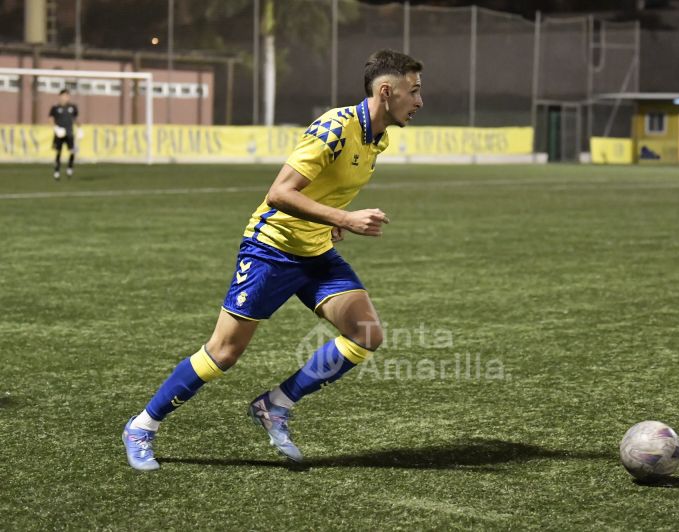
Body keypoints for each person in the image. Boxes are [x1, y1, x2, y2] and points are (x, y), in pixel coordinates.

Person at [122, 49, 424, 471]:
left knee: (366, 334)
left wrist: (331, 220)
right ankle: (142, 426)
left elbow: (325, 188)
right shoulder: (336, 126)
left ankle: (275, 404)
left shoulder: (379, 138)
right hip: (271, 249)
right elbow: (280, 193)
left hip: (315, 252)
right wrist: (345, 218)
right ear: (387, 91)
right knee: (224, 353)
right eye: (414, 91)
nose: (419, 102)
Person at [48, 89, 80, 180]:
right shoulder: (55, 107)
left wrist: (80, 128)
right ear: (60, 96)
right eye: (65, 96)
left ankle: (70, 167)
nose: (67, 98)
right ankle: (57, 171)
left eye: (68, 96)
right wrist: (56, 128)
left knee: (72, 151)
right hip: (59, 134)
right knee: (58, 152)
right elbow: (50, 119)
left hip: (69, 133)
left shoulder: (73, 107)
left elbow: (75, 119)